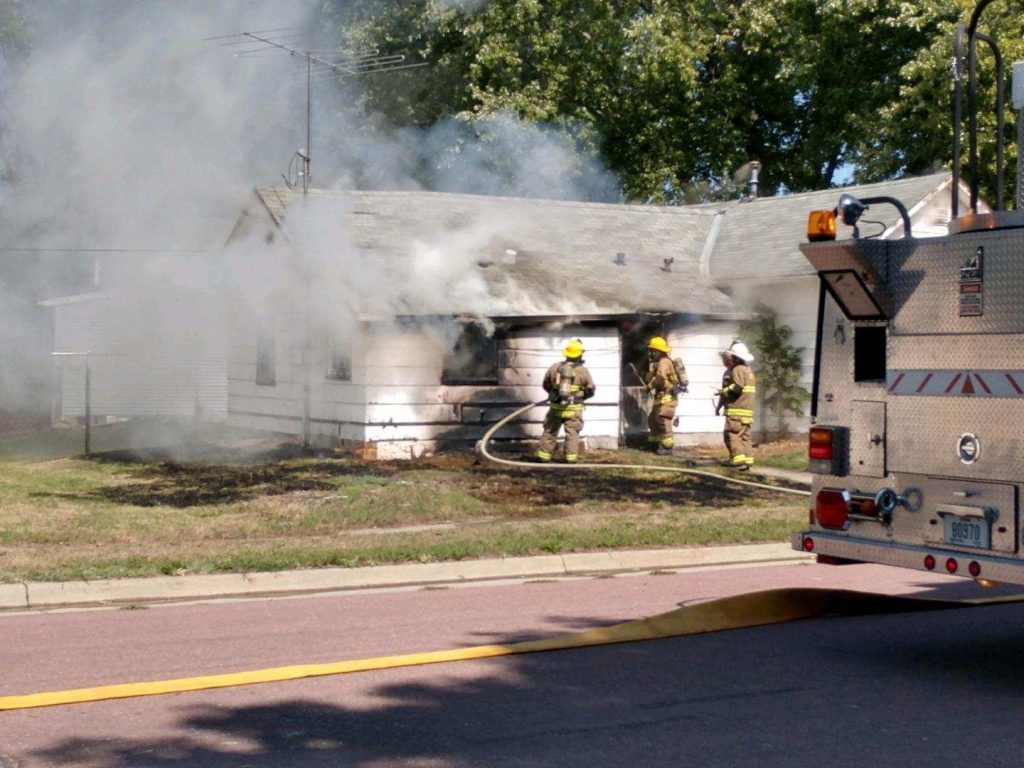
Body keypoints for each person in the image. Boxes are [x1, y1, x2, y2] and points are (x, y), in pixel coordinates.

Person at [536, 338, 596, 463]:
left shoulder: (555, 368)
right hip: (574, 409)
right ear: (579, 355)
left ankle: (544, 456)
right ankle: (570, 459)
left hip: (556, 408)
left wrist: (553, 394)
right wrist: (580, 397)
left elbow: (546, 384)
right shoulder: (582, 371)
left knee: (550, 431)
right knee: (572, 433)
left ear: (566, 353)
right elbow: (591, 390)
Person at [715, 340, 757, 470]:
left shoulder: (737, 369)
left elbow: (737, 389)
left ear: (736, 357)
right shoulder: (748, 370)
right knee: (745, 437)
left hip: (736, 411)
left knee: (732, 435)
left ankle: (737, 461)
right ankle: (748, 461)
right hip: (747, 412)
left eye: (732, 356)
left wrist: (723, 391)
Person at [644, 336, 686, 455]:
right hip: (661, 397)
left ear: (658, 351)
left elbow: (660, 378)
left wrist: (649, 386)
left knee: (663, 420)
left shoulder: (664, 362)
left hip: (667, 397)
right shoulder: (660, 362)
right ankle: (655, 443)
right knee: (653, 420)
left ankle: (667, 446)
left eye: (652, 350)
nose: (651, 353)